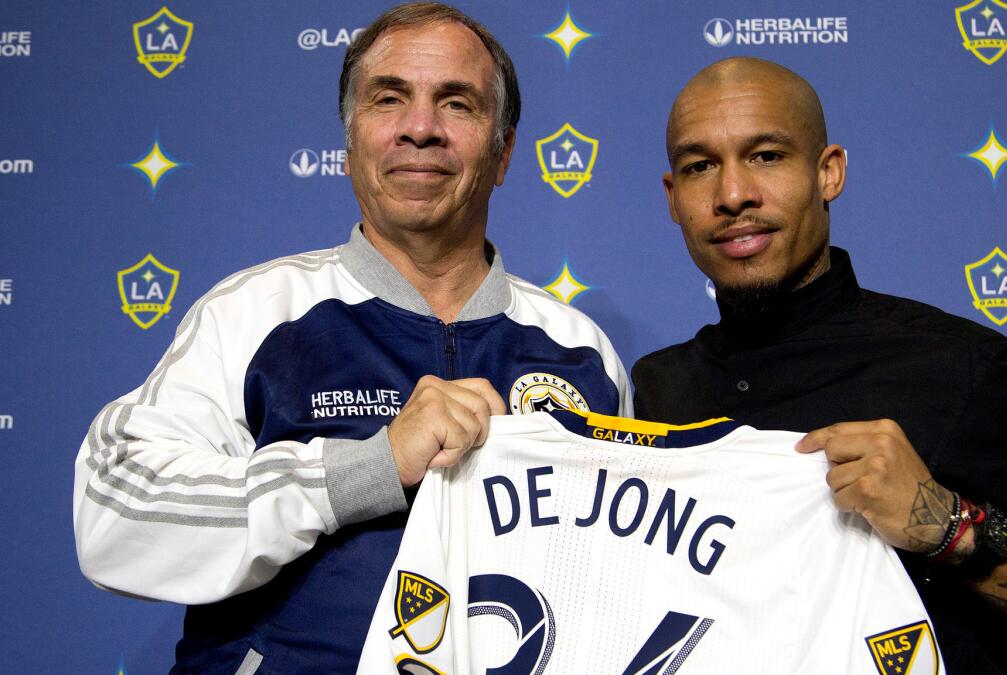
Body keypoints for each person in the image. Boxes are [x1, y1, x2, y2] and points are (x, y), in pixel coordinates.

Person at [73, 4, 630, 672]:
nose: (420, 129)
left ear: (504, 152)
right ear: (350, 140)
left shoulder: (580, 349)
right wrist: (365, 469)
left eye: (457, 104)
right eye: (388, 99)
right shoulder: (256, 313)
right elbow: (115, 513)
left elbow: (612, 586)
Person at [632, 57, 1007, 674]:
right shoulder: (652, 391)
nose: (732, 195)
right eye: (700, 167)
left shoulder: (966, 368)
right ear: (674, 199)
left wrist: (949, 526)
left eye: (767, 156)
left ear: (828, 173)